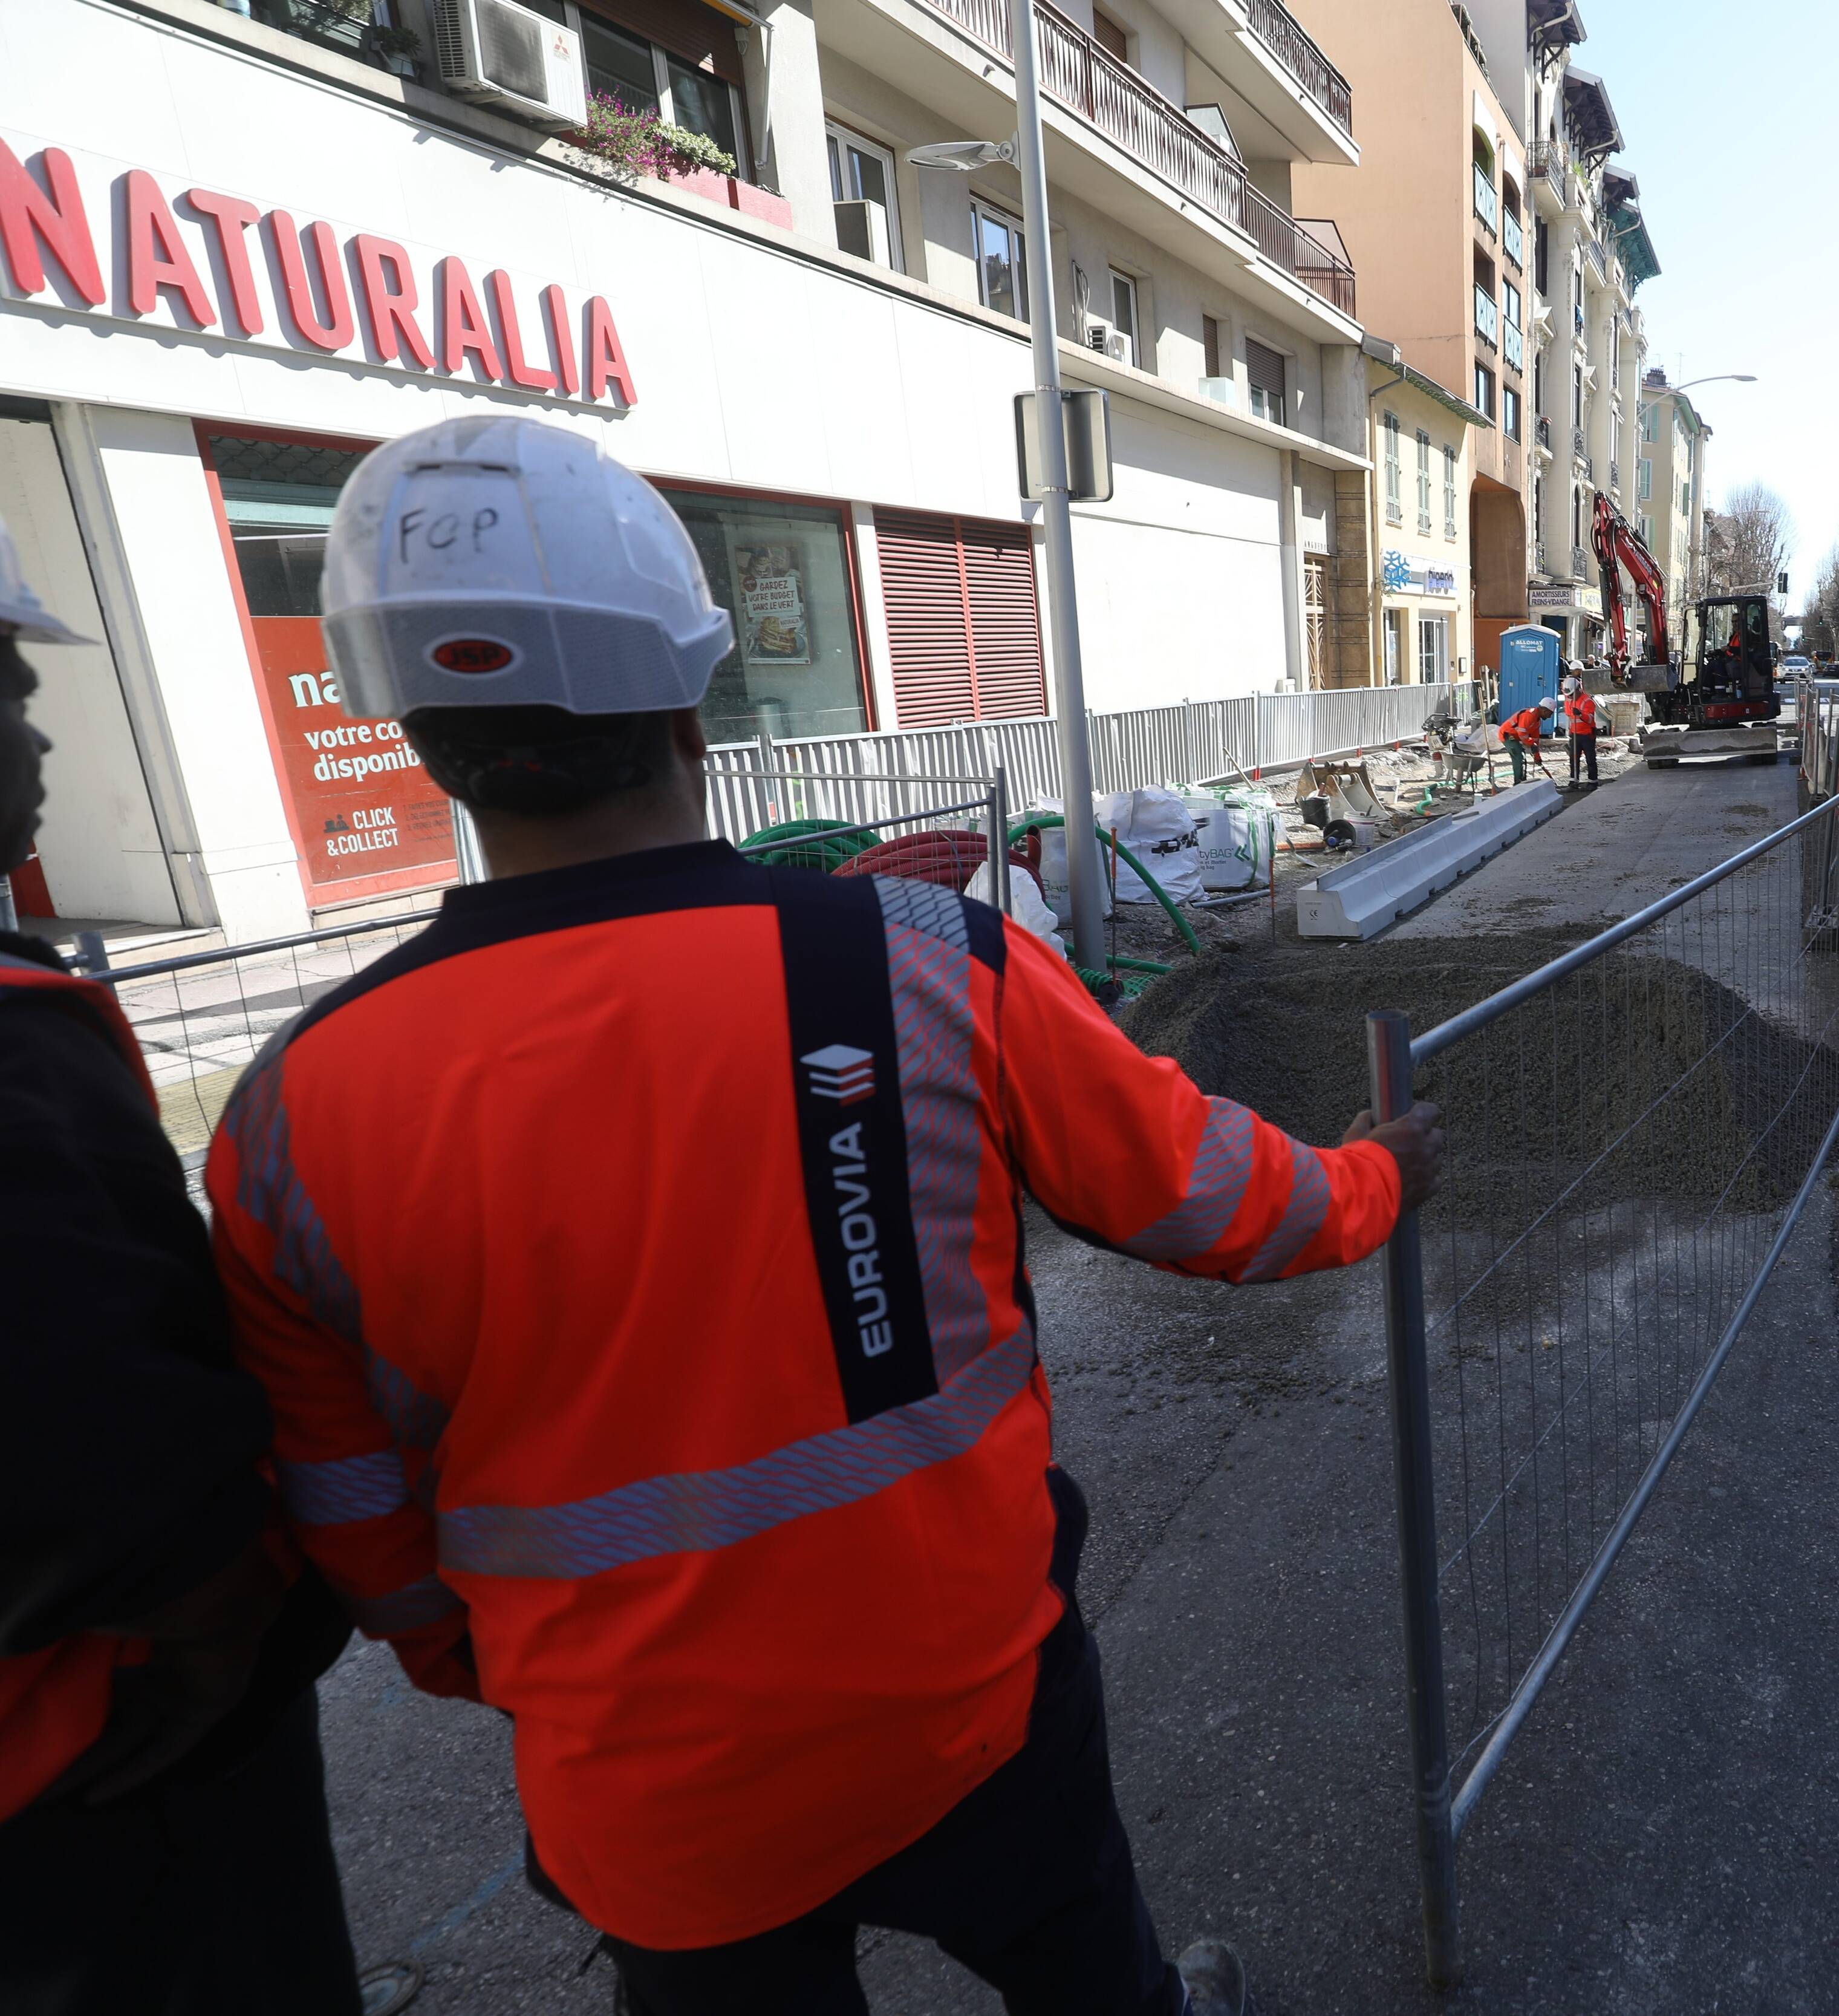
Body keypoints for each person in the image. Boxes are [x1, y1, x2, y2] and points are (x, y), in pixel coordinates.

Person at [204, 418, 1446, 2016]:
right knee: (1094, 1978)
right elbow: (1222, 1200)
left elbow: (349, 1505)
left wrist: (523, 1672)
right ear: (687, 697)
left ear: (417, 732)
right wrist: (1381, 1175)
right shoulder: (922, 960)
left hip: (649, 1789)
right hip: (969, 1709)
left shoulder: (292, 1113)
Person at [0, 517, 362, 2011]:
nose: (38, 740)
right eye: (12, 692)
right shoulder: (15, 1055)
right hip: (94, 1743)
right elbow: (85, 1408)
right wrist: (223, 1620)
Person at [1562, 681, 1602, 787]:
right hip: (1575, 734)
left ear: (1578, 689)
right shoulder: (1569, 700)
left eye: (1572, 694)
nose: (1570, 697)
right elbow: (1570, 717)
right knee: (1573, 758)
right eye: (1569, 695)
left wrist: (1580, 715)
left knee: (1590, 758)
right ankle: (1573, 780)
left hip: (1587, 734)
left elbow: (1590, 719)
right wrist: (1571, 733)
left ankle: (1593, 782)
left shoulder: (1587, 701)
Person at [1499, 699, 1546, 783]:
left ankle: (1522, 782)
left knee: (1521, 757)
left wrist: (1537, 756)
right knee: (1520, 757)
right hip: (1507, 735)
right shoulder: (1529, 715)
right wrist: (1531, 744)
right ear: (1544, 710)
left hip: (1514, 736)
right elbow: (1522, 734)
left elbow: (1535, 740)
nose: (1550, 716)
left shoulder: (1537, 721)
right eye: (1550, 713)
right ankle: (1519, 783)